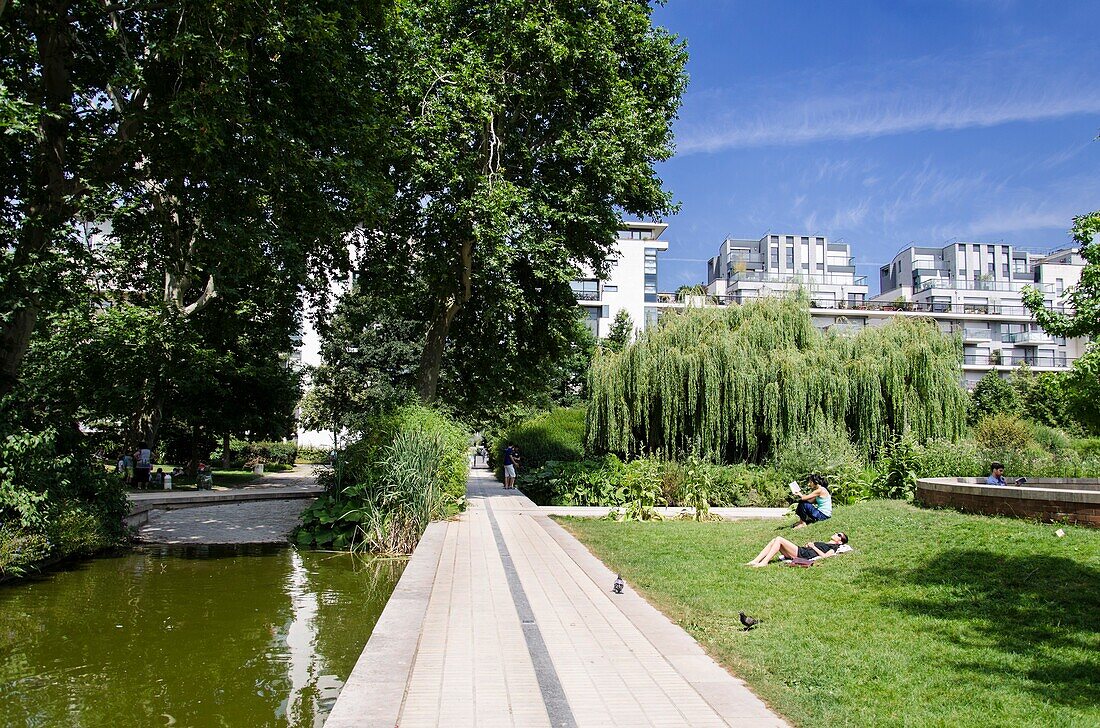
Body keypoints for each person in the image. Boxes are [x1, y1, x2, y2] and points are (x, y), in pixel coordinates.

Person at [746, 532, 849, 567]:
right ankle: (755, 560)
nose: (836, 534)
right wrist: (810, 545)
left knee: (779, 539)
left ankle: (764, 562)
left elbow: (825, 556)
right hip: (803, 551)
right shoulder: (826, 543)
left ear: (840, 541)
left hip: (803, 554)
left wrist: (813, 547)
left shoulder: (834, 547)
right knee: (774, 540)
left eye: (839, 535)